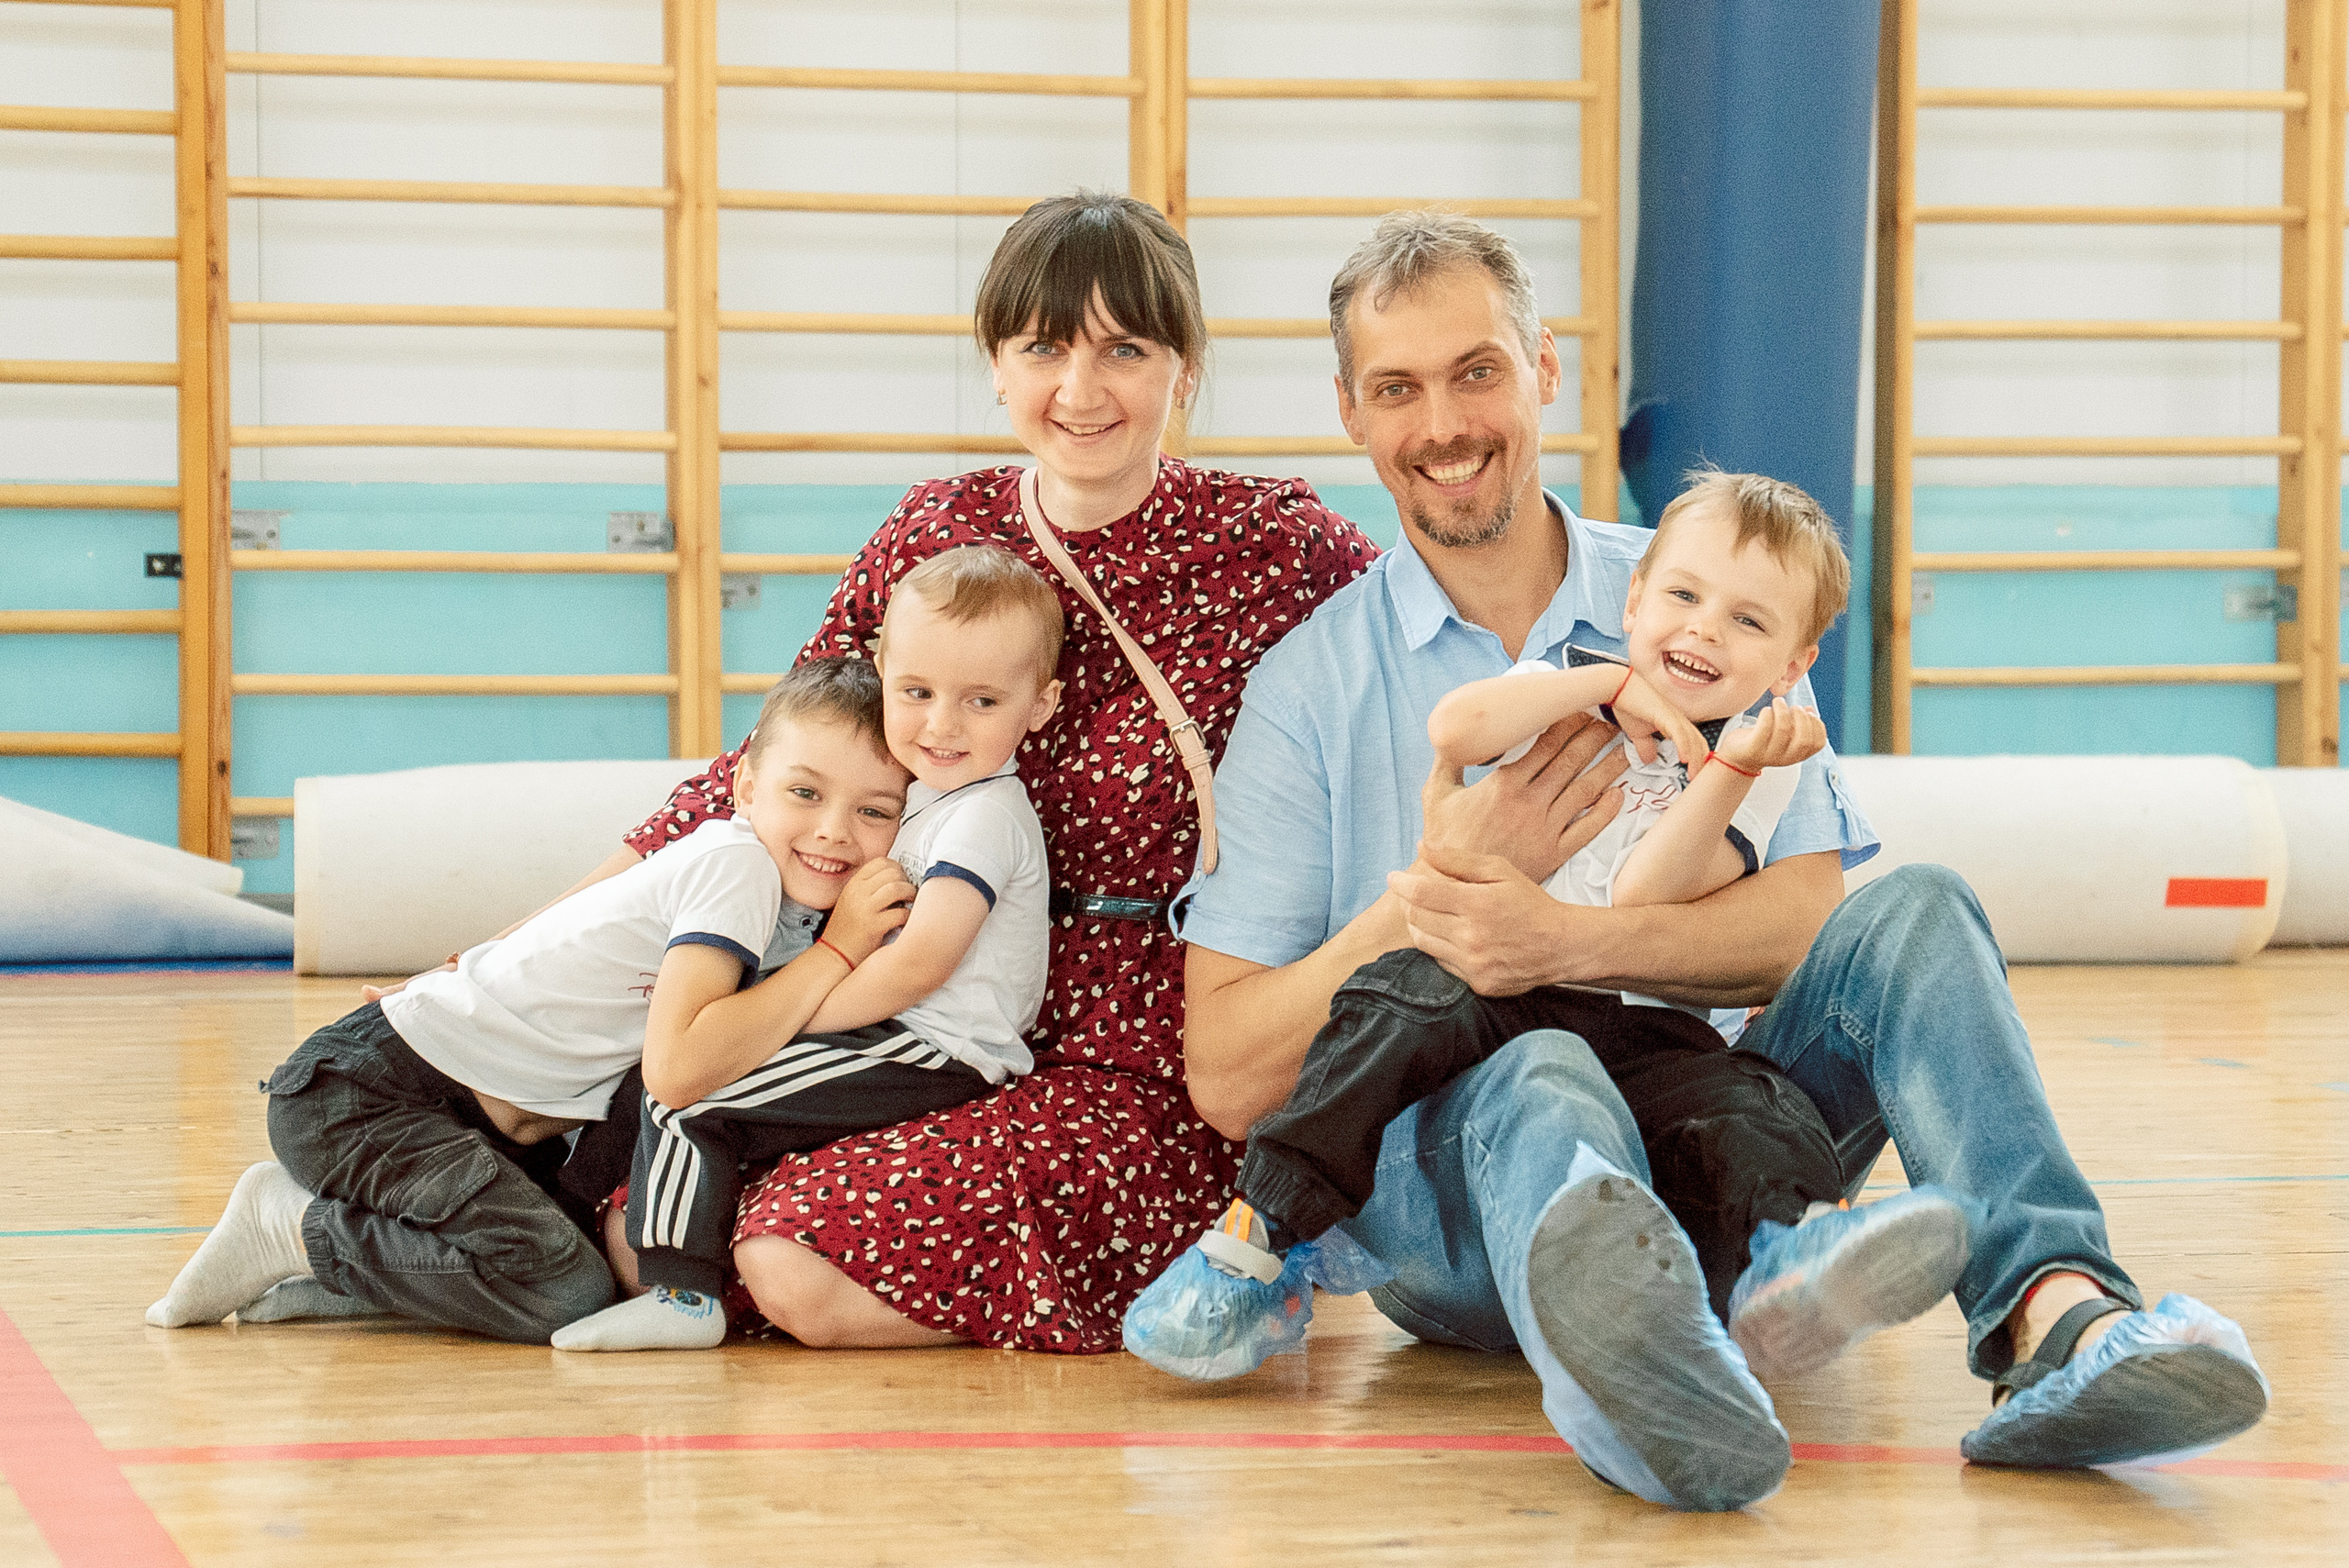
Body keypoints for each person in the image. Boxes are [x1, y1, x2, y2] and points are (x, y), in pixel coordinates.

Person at [1172, 211, 2267, 1511]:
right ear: (1351, 411)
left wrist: (1566, 944)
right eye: (1399, 387)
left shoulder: (1703, 588)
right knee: (1542, 1059)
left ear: (1546, 370)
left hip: (1713, 1122)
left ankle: (2059, 1318)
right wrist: (1437, 907)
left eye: (1478, 371)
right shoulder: (1309, 687)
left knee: (1919, 909)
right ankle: (1632, 1377)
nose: (1446, 421)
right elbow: (1233, 1074)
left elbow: (1808, 916)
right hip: (1462, 1190)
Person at [361, 191, 1378, 1353]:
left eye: (1124, 349)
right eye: (1043, 346)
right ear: (996, 364)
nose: (1080, 390)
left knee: (790, 1259)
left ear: (1184, 369)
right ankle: (333, 1233)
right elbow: (769, 768)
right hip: (901, 1017)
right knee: (645, 1227)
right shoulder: (933, 535)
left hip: (1143, 1054)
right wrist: (530, 932)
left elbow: (1411, 694)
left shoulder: (1280, 546)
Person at [1125, 471, 1973, 1385]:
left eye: (1747, 622)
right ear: (1634, 599)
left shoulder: (1762, 762)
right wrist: (1602, 687)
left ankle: (1789, 1259)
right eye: (1682, 597)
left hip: (1642, 1030)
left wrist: (1721, 767)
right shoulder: (1567, 679)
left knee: (1741, 1105)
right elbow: (1458, 725)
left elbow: (1650, 887)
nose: (1702, 630)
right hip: (1489, 1001)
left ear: (1791, 664)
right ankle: (1261, 1234)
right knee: (1399, 999)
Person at [143, 656, 920, 1343]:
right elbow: (679, 1068)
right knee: (563, 1290)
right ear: (747, 788)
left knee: (564, 1263)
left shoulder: (789, 906)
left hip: (473, 1123)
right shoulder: (735, 865)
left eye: (874, 811)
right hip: (371, 1095)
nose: (834, 832)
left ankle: (346, 1276)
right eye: (805, 792)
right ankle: (289, 1224)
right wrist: (838, 951)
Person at [554, 549, 1063, 1351]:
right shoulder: (923, 791)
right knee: (654, 1079)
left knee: (699, 1096)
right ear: (882, 671)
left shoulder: (986, 814)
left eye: (983, 701)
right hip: (888, 1029)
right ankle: (557, 1221)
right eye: (918, 693)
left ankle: (684, 1294)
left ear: (1040, 706)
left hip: (937, 1047)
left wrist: (795, 1011)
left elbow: (921, 962)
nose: (941, 724)